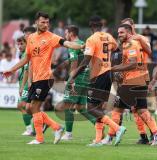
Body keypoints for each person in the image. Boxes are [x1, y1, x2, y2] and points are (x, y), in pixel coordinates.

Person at [3, 11, 85, 145]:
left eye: (47, 22)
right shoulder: (31, 38)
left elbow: (67, 43)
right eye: (43, 22)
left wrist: (80, 46)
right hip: (35, 78)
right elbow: (27, 58)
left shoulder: (51, 37)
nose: (46, 24)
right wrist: (12, 70)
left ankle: (39, 138)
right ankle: (56, 127)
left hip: (45, 78)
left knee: (34, 107)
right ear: (36, 22)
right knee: (28, 107)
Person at [102, 24, 157, 146]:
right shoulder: (131, 43)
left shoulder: (130, 44)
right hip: (139, 80)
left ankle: (109, 137)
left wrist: (114, 68)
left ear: (129, 32)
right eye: (118, 32)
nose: (119, 35)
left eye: (122, 32)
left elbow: (133, 63)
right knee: (141, 110)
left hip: (132, 81)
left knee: (117, 109)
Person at [69, 16, 126, 147]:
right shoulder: (109, 36)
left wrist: (73, 76)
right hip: (109, 73)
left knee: (90, 108)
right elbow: (117, 50)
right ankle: (98, 140)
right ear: (101, 26)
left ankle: (117, 129)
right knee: (98, 107)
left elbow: (85, 61)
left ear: (91, 27)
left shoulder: (92, 39)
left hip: (98, 75)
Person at [55, 25, 96, 140]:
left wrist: (71, 79)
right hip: (86, 77)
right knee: (80, 107)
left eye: (66, 33)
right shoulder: (83, 43)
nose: (65, 35)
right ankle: (98, 125)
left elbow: (74, 63)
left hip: (77, 79)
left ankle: (68, 134)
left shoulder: (73, 46)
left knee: (66, 106)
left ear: (71, 33)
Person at [119, 18, 153, 144]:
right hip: (129, 76)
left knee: (142, 108)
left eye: (127, 25)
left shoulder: (141, 38)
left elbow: (150, 52)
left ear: (132, 26)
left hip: (140, 74)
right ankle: (143, 136)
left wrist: (138, 39)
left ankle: (153, 134)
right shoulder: (124, 40)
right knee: (135, 109)